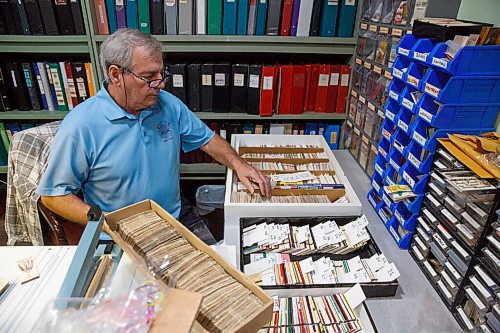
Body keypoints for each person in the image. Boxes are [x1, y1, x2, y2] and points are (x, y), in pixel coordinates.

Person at [36, 28, 271, 228]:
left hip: (175, 218)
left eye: (161, 73)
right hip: (119, 231)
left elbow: (207, 140)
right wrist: (105, 222)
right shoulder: (80, 125)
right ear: (116, 74)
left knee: (221, 272)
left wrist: (238, 163)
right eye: (150, 77)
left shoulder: (167, 103)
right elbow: (53, 195)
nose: (160, 83)